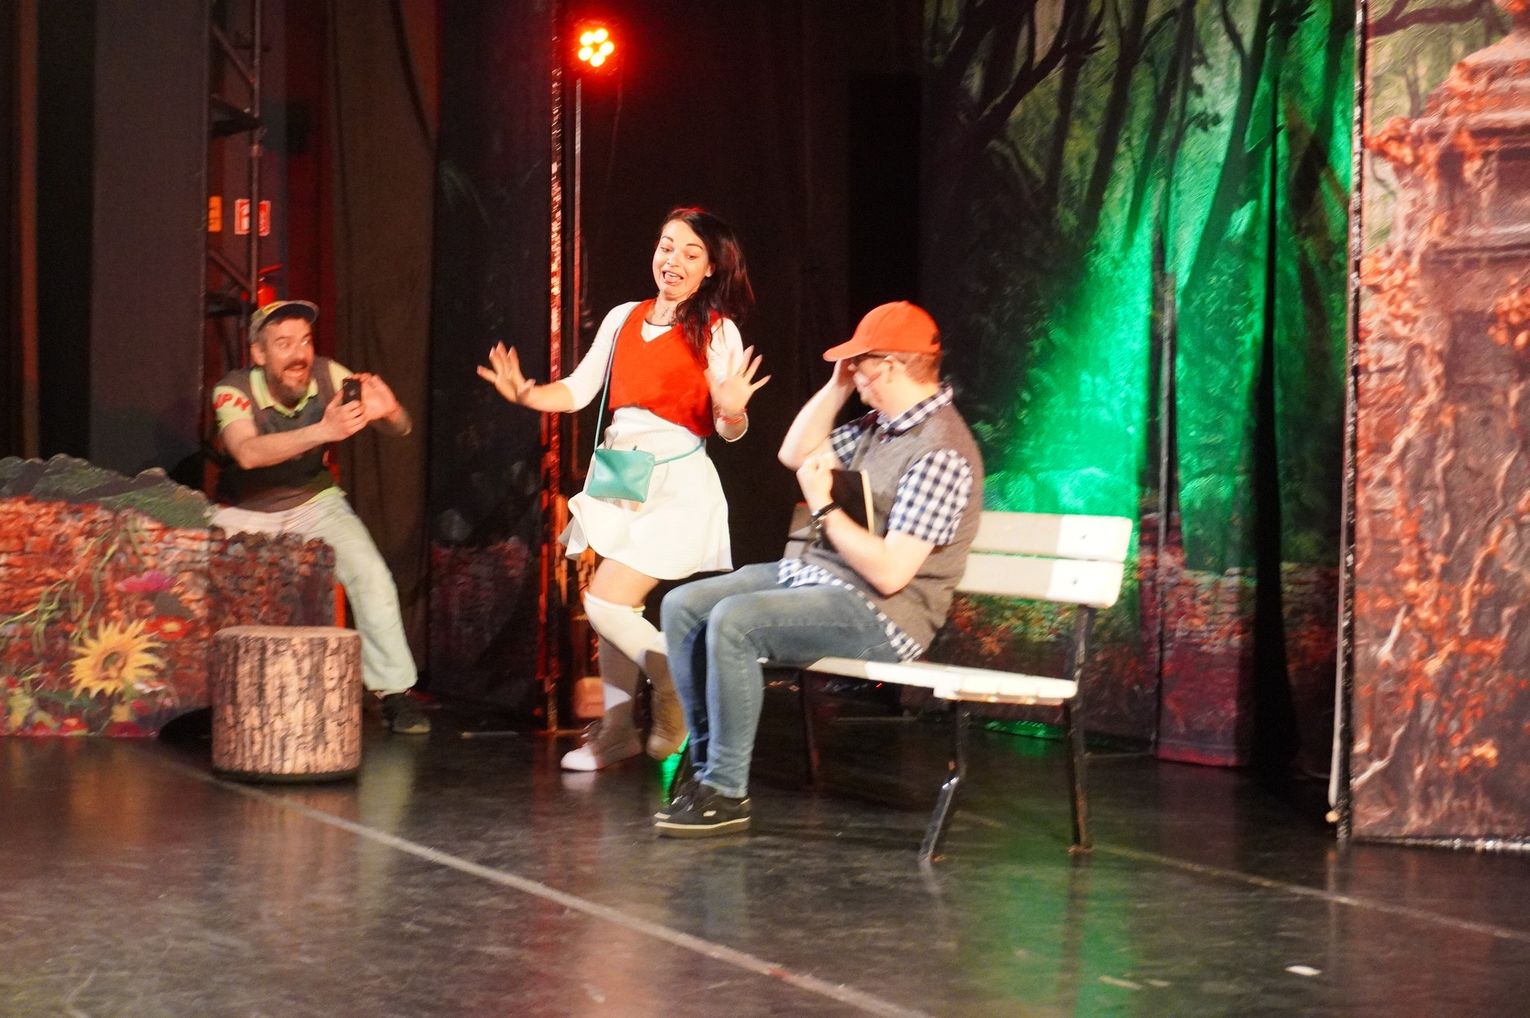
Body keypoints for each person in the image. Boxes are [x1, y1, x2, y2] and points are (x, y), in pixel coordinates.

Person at [655, 301, 984, 837]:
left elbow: (891, 574)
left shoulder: (940, 452)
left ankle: (726, 791)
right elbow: (794, 452)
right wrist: (836, 388)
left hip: (885, 614)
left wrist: (825, 507)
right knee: (683, 605)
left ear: (891, 366)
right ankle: (706, 766)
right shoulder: (882, 426)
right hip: (818, 578)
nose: (854, 373)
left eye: (860, 365)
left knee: (736, 622)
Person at [477, 207, 768, 771]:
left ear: (710, 268)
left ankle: (675, 680)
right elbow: (577, 390)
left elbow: (730, 426)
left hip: (678, 484)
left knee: (605, 602)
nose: (673, 260)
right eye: (667, 246)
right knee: (618, 610)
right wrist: (528, 394)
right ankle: (616, 732)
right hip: (622, 477)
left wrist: (733, 411)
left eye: (690, 253)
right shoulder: (622, 318)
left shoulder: (717, 330)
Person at [209, 299, 430, 735]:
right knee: (201, 583)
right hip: (245, 510)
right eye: (284, 344)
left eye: (305, 341)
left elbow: (400, 427)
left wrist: (391, 412)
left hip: (313, 502)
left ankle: (394, 692)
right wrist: (324, 431)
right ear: (259, 354)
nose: (299, 354)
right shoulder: (233, 389)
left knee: (371, 575)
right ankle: (211, 693)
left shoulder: (330, 375)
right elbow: (247, 452)